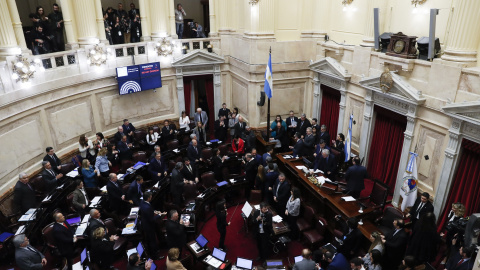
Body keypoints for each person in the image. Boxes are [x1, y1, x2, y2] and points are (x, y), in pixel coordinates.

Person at [140, 191, 166, 257]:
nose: (151, 197)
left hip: (145, 224)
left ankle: (151, 251)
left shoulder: (142, 202)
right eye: (150, 197)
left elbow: (149, 212)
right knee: (152, 240)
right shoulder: (147, 207)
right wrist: (159, 215)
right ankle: (155, 255)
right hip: (149, 226)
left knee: (149, 240)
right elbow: (152, 219)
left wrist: (154, 211)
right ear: (148, 198)